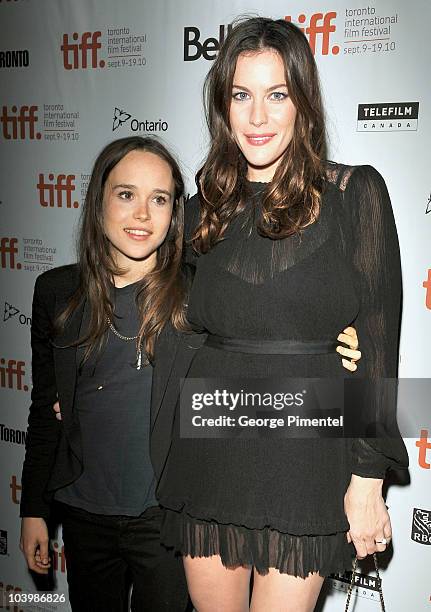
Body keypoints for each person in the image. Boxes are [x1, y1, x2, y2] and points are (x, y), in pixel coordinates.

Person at [153, 17, 409, 612]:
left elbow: (379, 344)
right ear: (223, 105)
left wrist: (368, 481)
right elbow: (164, 315)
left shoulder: (355, 196)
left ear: (303, 102)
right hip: (211, 447)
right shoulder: (202, 213)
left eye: (277, 95)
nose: (258, 117)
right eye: (242, 95)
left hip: (304, 457)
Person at [19, 136, 191, 612]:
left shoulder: (195, 295)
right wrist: (34, 508)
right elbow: (43, 411)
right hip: (83, 512)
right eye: (126, 194)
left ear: (175, 212)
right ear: (99, 202)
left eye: (159, 199)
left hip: (165, 516)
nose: (142, 214)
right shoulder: (56, 291)